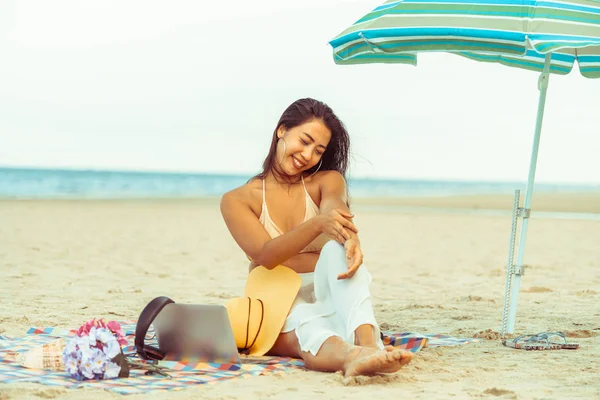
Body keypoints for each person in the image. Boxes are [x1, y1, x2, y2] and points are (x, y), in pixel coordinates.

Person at [220, 98, 413, 377]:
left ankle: (369, 345)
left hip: (332, 289)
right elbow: (266, 256)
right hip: (277, 298)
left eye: (318, 150)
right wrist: (318, 225)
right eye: (305, 141)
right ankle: (351, 357)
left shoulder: (327, 180)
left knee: (336, 249)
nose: (308, 155)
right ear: (282, 131)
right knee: (307, 326)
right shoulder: (237, 200)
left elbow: (334, 207)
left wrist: (349, 238)